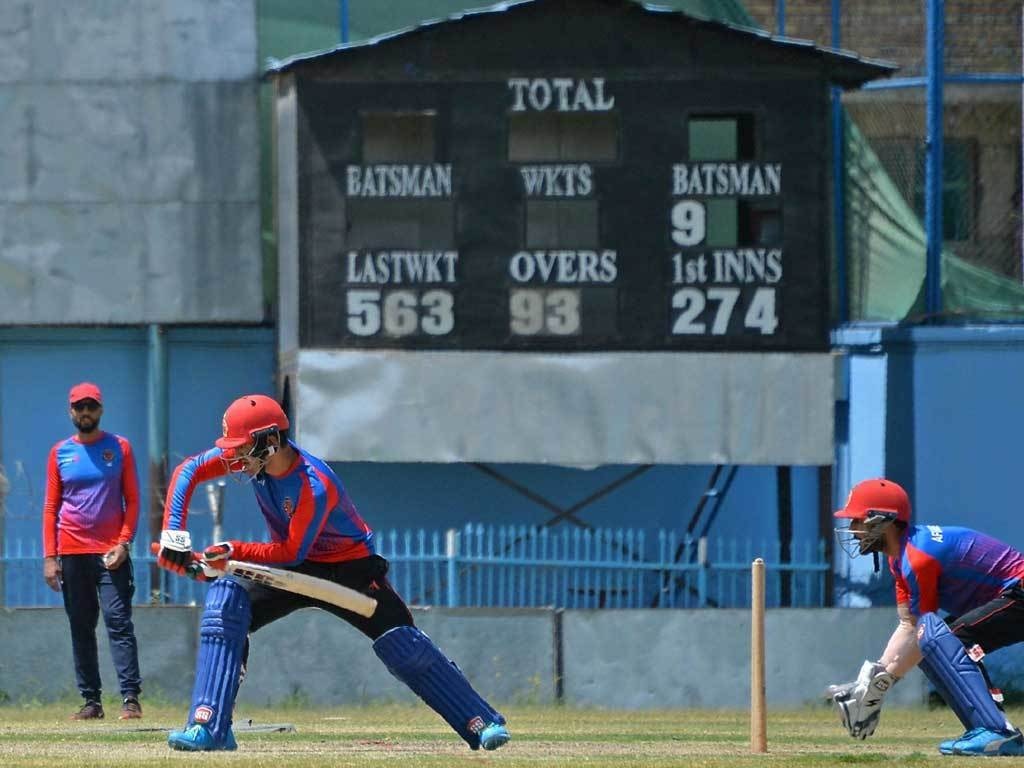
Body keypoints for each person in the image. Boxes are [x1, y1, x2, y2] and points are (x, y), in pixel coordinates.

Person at [156, 394, 510, 752]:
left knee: (402, 643)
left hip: (349, 570)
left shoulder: (314, 483)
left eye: (242, 447)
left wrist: (233, 550)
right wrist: (174, 533)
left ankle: (480, 721)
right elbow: (189, 470)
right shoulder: (257, 462)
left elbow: (293, 549)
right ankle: (209, 726)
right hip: (292, 570)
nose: (234, 457)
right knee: (225, 603)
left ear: (271, 441)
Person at [826, 477, 1024, 757]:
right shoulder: (899, 558)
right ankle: (986, 730)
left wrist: (881, 683)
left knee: (949, 641)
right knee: (936, 646)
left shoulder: (918, 557)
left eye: (858, 521)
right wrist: (875, 684)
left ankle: (998, 732)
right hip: (1010, 596)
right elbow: (910, 625)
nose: (853, 530)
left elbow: (925, 627)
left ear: (883, 520)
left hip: (1020, 592)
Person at [42, 382, 143, 721]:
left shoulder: (120, 448)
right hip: (71, 552)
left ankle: (130, 698)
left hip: (110, 553)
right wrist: (49, 558)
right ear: (71, 412)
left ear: (100, 410)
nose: (85, 412)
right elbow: (50, 507)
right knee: (81, 625)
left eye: (91, 406)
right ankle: (91, 702)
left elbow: (134, 500)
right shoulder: (60, 452)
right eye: (78, 407)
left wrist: (123, 542)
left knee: (118, 621)